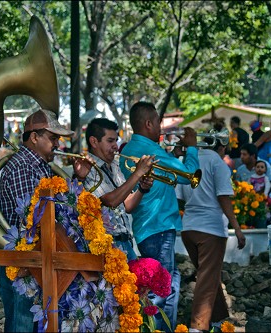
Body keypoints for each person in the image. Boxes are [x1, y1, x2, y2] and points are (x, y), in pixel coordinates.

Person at [0, 109, 77, 332]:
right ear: (34, 137)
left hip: (32, 257)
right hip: (21, 260)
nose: (57, 144)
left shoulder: (39, 166)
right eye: (53, 138)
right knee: (22, 325)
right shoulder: (23, 167)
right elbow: (34, 219)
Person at [119, 101, 200, 331]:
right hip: (158, 227)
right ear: (147, 124)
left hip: (148, 227)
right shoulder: (151, 151)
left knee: (168, 286)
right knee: (160, 291)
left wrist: (172, 156)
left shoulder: (129, 149)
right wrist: (192, 148)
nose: (160, 128)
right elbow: (188, 176)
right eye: (157, 123)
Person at [175, 136, 246, 332]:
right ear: (221, 147)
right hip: (211, 230)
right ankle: (197, 327)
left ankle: (219, 320)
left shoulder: (189, 161)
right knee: (207, 279)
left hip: (189, 229)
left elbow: (179, 199)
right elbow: (223, 197)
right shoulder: (218, 163)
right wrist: (237, 228)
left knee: (209, 276)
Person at [81, 118, 154, 261]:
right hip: (108, 246)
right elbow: (110, 201)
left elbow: (127, 205)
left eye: (116, 140)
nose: (115, 146)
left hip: (125, 242)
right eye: (110, 141)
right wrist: (138, 173)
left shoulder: (114, 165)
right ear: (94, 141)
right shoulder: (87, 167)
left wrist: (142, 189)